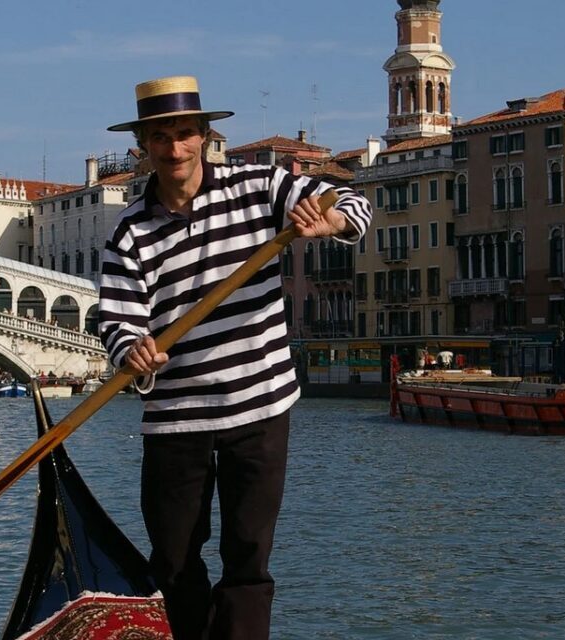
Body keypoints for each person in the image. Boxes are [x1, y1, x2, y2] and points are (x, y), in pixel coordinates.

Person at [98, 76, 372, 639]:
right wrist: (132, 348)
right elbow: (117, 317)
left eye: (184, 134)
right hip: (176, 415)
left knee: (248, 557)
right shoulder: (130, 232)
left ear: (204, 136)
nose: (174, 149)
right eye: (160, 137)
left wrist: (332, 221)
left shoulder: (260, 185)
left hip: (259, 404)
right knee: (173, 559)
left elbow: (353, 202)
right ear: (143, 146)